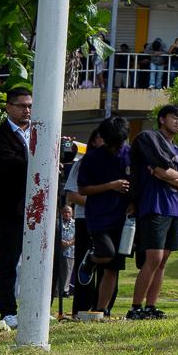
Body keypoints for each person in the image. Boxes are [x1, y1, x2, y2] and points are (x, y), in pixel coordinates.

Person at [125, 104, 178, 320]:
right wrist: (174, 177)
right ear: (162, 119)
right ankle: (135, 308)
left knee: (163, 260)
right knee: (153, 258)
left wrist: (167, 176)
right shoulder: (150, 140)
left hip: (174, 209)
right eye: (175, 117)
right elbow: (157, 169)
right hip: (153, 205)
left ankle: (151, 307)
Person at [0, 86, 33, 329]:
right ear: (9, 107)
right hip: (9, 209)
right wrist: (36, 163)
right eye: (21, 105)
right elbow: (9, 164)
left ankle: (37, 306)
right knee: (7, 261)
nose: (27, 110)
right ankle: (7, 311)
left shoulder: (38, 132)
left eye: (29, 105)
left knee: (40, 260)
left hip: (37, 208)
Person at [71, 116, 132, 315]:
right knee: (107, 252)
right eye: (112, 144)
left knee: (113, 268)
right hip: (98, 216)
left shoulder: (131, 155)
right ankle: (91, 260)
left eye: (119, 143)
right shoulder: (91, 158)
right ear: (104, 139)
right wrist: (110, 186)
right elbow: (83, 189)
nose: (115, 148)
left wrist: (133, 203)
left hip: (122, 217)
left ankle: (101, 309)